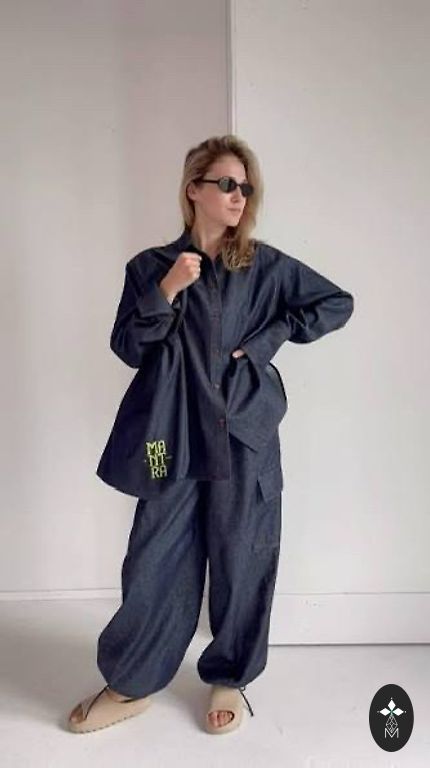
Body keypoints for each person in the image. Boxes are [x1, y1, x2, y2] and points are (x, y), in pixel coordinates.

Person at [68, 134, 354, 735]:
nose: (238, 196)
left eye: (245, 187)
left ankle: (230, 677)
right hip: (167, 438)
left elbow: (335, 302)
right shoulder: (150, 267)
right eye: (226, 184)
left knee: (243, 553)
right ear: (193, 189)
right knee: (153, 557)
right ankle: (131, 683)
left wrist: (268, 341)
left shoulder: (264, 266)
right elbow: (128, 347)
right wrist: (168, 289)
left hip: (244, 432)